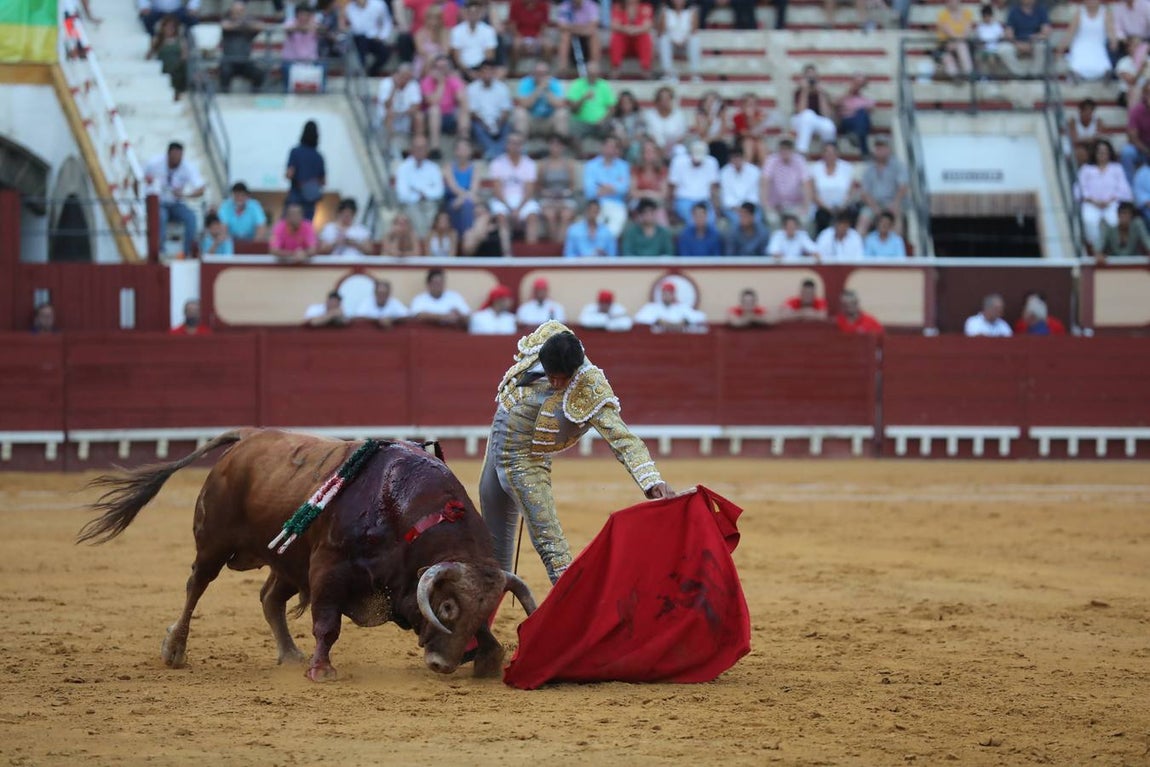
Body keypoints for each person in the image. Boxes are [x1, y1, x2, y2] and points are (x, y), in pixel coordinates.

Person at [480, 321, 672, 584]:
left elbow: (623, 439)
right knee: (492, 540)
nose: (556, 382)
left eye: (563, 378)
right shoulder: (547, 337)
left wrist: (651, 480)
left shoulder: (590, 386)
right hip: (497, 443)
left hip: (526, 460)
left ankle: (575, 606)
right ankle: (490, 599)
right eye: (552, 375)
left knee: (551, 544)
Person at [144, 141, 205, 258]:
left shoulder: (187, 167)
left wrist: (185, 195)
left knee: (191, 217)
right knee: (161, 216)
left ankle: (187, 252)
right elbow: (140, 179)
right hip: (159, 203)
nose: (177, 159)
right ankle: (159, 251)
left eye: (179, 156)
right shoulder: (154, 164)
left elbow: (201, 189)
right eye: (174, 156)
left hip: (176, 203)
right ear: (168, 154)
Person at [489, 132, 543, 251]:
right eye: (512, 143)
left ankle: (530, 253)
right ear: (507, 145)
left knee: (532, 217)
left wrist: (518, 209)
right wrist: (510, 209)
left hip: (523, 200)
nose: (515, 146)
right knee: (501, 217)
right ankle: (507, 254)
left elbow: (529, 190)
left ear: (522, 146)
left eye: (518, 143)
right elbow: (497, 190)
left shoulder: (529, 164)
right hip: (503, 199)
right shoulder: (497, 163)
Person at [1078, 139, 1132, 252]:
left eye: (1105, 152)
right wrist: (1093, 201)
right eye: (1099, 152)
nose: (1102, 155)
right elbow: (1080, 189)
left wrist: (1110, 199)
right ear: (1095, 153)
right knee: (1089, 219)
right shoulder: (1086, 169)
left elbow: (1124, 189)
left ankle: (1114, 249)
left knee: (1114, 220)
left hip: (1111, 203)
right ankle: (1095, 250)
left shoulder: (1116, 168)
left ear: (1109, 153)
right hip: (1091, 203)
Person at [856, 136, 909, 236]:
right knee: (863, 219)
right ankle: (860, 244)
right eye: (877, 148)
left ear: (888, 149)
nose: (879, 151)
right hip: (874, 203)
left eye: (882, 147)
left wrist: (895, 203)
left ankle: (896, 244)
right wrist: (875, 207)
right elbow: (864, 192)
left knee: (896, 217)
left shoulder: (898, 166)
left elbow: (903, 187)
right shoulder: (869, 169)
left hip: (893, 202)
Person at [395, 135, 445, 239]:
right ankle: (424, 241)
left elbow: (439, 191)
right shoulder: (403, 168)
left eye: (422, 148)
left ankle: (424, 240)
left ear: (427, 150)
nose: (420, 151)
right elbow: (402, 194)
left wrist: (421, 192)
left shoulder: (434, 168)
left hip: (430, 202)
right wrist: (421, 194)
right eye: (417, 148)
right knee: (415, 214)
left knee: (432, 211)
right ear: (411, 149)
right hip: (411, 204)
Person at [582, 135, 631, 235]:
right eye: (607, 146)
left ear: (617, 150)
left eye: (613, 147)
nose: (610, 149)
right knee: (594, 227)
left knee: (615, 228)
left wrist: (603, 188)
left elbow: (624, 188)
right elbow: (589, 190)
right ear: (602, 147)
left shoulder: (624, 166)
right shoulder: (591, 165)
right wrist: (613, 189)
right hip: (596, 203)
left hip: (617, 204)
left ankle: (605, 243)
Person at [467, 59, 513, 159]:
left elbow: (505, 110)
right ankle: (495, 152)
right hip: (480, 122)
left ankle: (494, 152)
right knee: (476, 127)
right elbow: (472, 112)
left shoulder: (502, 88)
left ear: (494, 73)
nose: (487, 74)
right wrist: (485, 125)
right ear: (480, 73)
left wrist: (498, 124)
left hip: (498, 121)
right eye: (484, 71)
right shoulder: (471, 88)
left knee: (507, 127)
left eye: (490, 71)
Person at [760, 138, 811, 230]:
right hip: (775, 205)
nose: (785, 151)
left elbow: (806, 184)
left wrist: (805, 207)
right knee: (772, 220)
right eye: (783, 148)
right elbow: (765, 182)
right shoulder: (771, 160)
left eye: (788, 148)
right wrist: (766, 205)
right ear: (779, 149)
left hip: (795, 204)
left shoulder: (800, 161)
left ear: (792, 150)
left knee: (804, 220)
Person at [807, 142, 857, 234]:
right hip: (822, 208)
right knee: (821, 216)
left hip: (843, 207)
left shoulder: (847, 167)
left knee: (850, 214)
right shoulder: (815, 168)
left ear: (837, 153)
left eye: (832, 152)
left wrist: (843, 206)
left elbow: (851, 191)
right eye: (826, 152)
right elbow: (813, 193)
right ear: (822, 154)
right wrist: (827, 208)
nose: (829, 155)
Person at [421, 55, 470, 148]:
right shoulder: (427, 81)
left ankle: (464, 141)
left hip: (450, 116)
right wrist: (441, 83)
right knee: (434, 110)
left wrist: (459, 84)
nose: (442, 70)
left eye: (444, 67)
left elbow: (462, 99)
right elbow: (432, 101)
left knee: (463, 108)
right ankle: (435, 146)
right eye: (439, 67)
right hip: (431, 118)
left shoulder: (453, 80)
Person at [538, 135, 579, 244]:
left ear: (563, 147)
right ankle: (553, 244)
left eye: (558, 145)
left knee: (566, 215)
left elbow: (572, 186)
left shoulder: (569, 164)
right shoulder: (543, 164)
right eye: (552, 145)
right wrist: (548, 193)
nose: (555, 148)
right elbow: (539, 186)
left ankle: (560, 245)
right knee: (550, 215)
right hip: (548, 198)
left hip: (565, 197)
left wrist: (564, 193)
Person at [1060, 0, 1113, 82]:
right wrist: (1060, 49)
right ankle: (1076, 76)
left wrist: (1113, 42)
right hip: (1080, 45)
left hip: (1098, 45)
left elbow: (1111, 33)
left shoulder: (1105, 13)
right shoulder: (1079, 13)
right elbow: (1070, 34)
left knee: (1102, 63)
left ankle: (1104, 75)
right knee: (1078, 62)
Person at [669, 140, 720, 225]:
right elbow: (672, 187)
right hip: (684, 200)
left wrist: (716, 209)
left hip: (704, 200)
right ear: (690, 154)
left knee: (710, 222)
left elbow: (713, 189)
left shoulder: (712, 162)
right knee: (693, 222)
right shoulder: (678, 162)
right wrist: (671, 209)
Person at [513, 61, 569, 138]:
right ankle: (520, 143)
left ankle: (560, 143)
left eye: (544, 73)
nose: (541, 76)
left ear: (548, 75)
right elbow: (524, 104)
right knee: (519, 112)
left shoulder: (554, 83)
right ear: (533, 74)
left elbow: (560, 104)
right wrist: (539, 89)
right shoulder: (526, 82)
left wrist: (547, 91)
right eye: (538, 73)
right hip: (531, 121)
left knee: (562, 113)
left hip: (548, 121)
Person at [567, 61, 617, 148]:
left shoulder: (604, 85)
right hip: (581, 122)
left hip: (601, 122)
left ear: (598, 74)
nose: (593, 76)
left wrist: (602, 120)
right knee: (573, 130)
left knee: (612, 129)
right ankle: (580, 154)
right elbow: (573, 109)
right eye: (590, 74)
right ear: (586, 73)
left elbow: (612, 108)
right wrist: (583, 98)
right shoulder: (577, 84)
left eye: (595, 74)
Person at [218, 1, 265, 93]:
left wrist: (243, 23)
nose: (238, 14)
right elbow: (225, 26)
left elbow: (261, 26)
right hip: (229, 61)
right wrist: (241, 24)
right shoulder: (227, 20)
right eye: (236, 11)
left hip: (245, 61)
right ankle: (224, 97)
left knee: (258, 73)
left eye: (240, 11)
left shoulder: (248, 26)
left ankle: (254, 96)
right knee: (224, 72)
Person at [997, 0, 1052, 77]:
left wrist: (1032, 41)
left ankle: (1035, 74)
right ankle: (1020, 74)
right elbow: (1009, 33)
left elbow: (1046, 32)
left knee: (1041, 46)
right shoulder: (1013, 11)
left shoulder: (1041, 10)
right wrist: (1018, 44)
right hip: (1017, 42)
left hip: (1034, 42)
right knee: (1003, 49)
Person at [285, 120, 326, 221]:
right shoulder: (319, 156)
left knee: (289, 225)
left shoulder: (295, 152)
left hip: (295, 197)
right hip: (310, 200)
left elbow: (289, 174)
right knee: (306, 226)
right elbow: (323, 181)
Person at [791, 64, 836, 155]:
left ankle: (829, 152)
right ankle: (802, 151)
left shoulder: (822, 92)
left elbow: (825, 114)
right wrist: (805, 91)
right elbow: (800, 111)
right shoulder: (798, 92)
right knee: (808, 114)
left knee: (829, 125)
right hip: (800, 120)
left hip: (816, 121)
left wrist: (820, 93)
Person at [344, 0, 394, 77]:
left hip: (373, 39)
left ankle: (371, 71)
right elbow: (356, 28)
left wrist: (382, 36)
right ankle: (361, 71)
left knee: (385, 53)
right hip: (358, 39)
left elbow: (387, 22)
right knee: (361, 40)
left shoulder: (378, 4)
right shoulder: (350, 8)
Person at [608, 0, 655, 78]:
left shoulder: (645, 7)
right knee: (617, 36)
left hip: (638, 42)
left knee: (645, 36)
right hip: (624, 42)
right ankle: (615, 68)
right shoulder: (618, 7)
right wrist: (626, 29)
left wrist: (635, 30)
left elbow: (647, 26)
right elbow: (614, 25)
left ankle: (646, 69)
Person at [282, 5, 324, 93]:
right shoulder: (290, 22)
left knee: (323, 66)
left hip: (311, 61)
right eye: (301, 15)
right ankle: (287, 94)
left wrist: (314, 27)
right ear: (296, 15)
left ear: (310, 16)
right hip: (291, 61)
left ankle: (321, 95)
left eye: (306, 15)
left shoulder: (315, 23)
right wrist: (303, 28)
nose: (304, 17)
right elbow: (288, 30)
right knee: (286, 67)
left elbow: (323, 30)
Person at [635, 280, 707, 331]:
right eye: (664, 293)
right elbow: (639, 319)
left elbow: (700, 318)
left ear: (673, 294)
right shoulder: (652, 307)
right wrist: (658, 321)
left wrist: (684, 322)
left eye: (669, 293)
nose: (667, 296)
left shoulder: (682, 308)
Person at [443, 138, 480, 235]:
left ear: (470, 151)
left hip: (468, 200)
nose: (463, 152)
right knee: (465, 204)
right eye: (460, 149)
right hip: (452, 200)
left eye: (465, 149)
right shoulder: (449, 167)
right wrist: (466, 196)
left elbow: (474, 189)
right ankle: (467, 236)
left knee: (468, 204)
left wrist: (464, 198)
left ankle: (467, 236)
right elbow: (453, 187)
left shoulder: (475, 168)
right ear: (455, 151)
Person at [146, 14, 189, 100]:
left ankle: (178, 91)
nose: (169, 29)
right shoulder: (157, 40)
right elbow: (150, 55)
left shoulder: (181, 41)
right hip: (163, 67)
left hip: (176, 68)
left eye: (172, 27)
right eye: (167, 27)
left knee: (181, 69)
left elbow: (184, 56)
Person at [719, 147, 762, 230]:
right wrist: (737, 209)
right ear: (730, 159)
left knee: (756, 222)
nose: (736, 160)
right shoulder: (724, 173)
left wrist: (746, 209)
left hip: (751, 207)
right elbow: (726, 195)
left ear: (743, 158)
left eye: (738, 157)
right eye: (733, 158)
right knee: (737, 222)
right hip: (732, 209)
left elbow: (754, 193)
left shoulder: (754, 171)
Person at [658, 0, 701, 82]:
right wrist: (663, 14)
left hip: (686, 42)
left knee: (694, 39)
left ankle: (695, 74)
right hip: (671, 42)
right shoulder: (666, 11)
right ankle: (667, 73)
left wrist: (684, 39)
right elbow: (661, 31)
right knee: (663, 39)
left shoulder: (691, 11)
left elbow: (694, 30)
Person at [451, 0, 498, 76]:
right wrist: (468, 72)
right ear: (466, 13)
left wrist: (480, 72)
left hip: (482, 70)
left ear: (480, 14)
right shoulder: (456, 30)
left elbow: (489, 55)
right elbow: (456, 56)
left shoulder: (489, 30)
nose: (473, 15)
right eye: (470, 12)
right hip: (463, 69)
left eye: (476, 12)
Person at [377, 63, 424, 139]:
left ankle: (418, 141)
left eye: (408, 77)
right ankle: (389, 141)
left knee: (419, 116)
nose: (405, 80)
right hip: (386, 118)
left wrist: (401, 113)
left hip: (405, 117)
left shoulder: (413, 84)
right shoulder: (386, 83)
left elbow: (416, 106)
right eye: (403, 76)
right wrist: (394, 88)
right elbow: (387, 105)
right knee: (390, 113)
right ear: (397, 74)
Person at [555, 0, 603, 75]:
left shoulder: (591, 5)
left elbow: (593, 25)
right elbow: (561, 26)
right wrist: (581, 28)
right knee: (565, 35)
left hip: (585, 35)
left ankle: (594, 68)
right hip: (572, 35)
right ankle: (562, 67)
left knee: (594, 35)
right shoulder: (565, 6)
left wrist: (573, 28)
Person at [507, 0, 553, 76]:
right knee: (516, 45)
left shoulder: (543, 6)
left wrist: (537, 39)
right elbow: (512, 26)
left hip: (537, 36)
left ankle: (545, 70)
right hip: (520, 36)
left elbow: (544, 26)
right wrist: (521, 39)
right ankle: (514, 70)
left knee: (548, 46)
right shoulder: (515, 5)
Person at [631, 138, 670, 225]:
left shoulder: (662, 171)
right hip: (639, 203)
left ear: (656, 153)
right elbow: (633, 192)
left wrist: (649, 194)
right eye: (646, 151)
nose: (649, 154)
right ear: (642, 153)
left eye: (652, 151)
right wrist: (647, 194)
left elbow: (664, 193)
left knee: (661, 219)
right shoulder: (636, 170)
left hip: (656, 203)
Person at [837, 76, 875, 159]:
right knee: (861, 118)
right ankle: (865, 152)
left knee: (862, 115)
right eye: (856, 83)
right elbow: (836, 103)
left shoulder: (867, 96)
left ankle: (856, 135)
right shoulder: (845, 94)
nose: (857, 85)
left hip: (860, 121)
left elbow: (870, 109)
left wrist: (853, 110)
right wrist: (849, 93)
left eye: (860, 83)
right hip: (846, 122)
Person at [644, 86, 689, 157]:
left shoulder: (679, 115)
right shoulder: (650, 115)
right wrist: (660, 147)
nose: (664, 102)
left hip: (675, 148)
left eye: (667, 99)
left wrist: (670, 148)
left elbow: (681, 136)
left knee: (680, 149)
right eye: (662, 99)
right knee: (649, 148)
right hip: (656, 148)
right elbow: (650, 135)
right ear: (657, 101)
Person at [937, 0, 975, 82]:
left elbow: (967, 32)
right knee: (947, 58)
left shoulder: (967, 13)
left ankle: (968, 74)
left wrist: (956, 42)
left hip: (962, 44)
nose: (952, 2)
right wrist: (955, 42)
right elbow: (950, 33)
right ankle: (960, 78)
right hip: (946, 45)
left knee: (961, 46)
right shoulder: (943, 15)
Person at [1121, 82, 1150, 183]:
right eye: (1148, 93)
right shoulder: (1136, 111)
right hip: (1141, 149)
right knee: (1127, 153)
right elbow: (1133, 137)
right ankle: (1129, 186)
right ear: (1144, 95)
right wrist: (1147, 151)